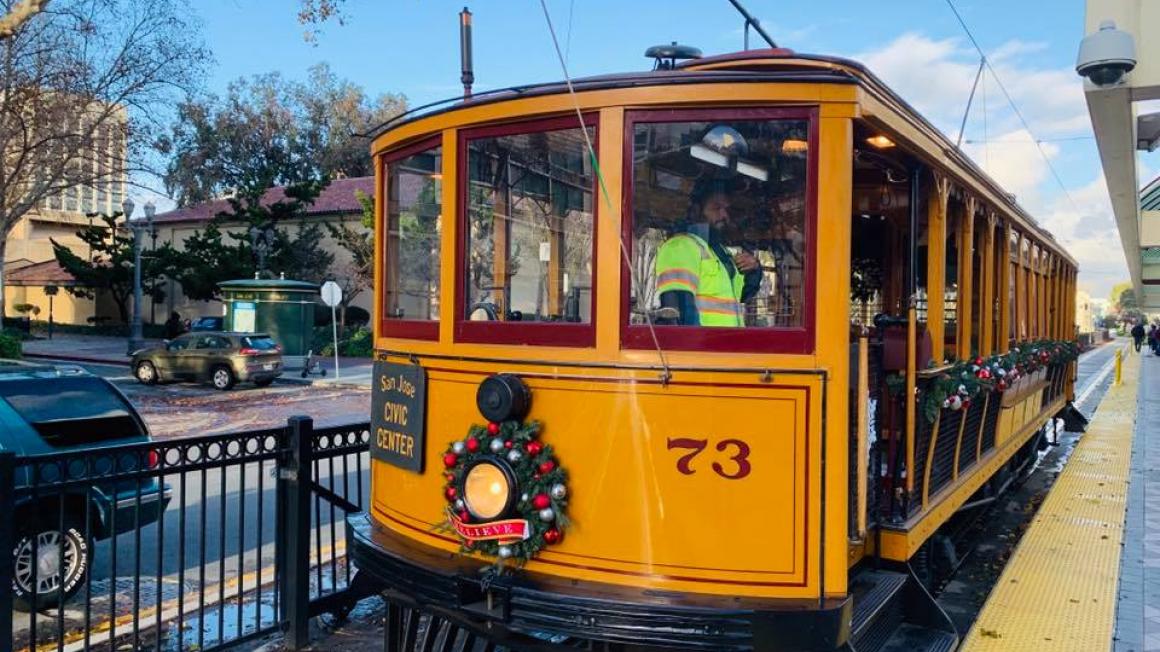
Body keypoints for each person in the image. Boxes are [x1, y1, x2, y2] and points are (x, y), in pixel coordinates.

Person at [654, 179, 762, 326]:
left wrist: (754, 269)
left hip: (728, 345)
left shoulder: (720, 252)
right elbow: (681, 314)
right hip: (704, 346)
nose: (724, 215)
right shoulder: (681, 247)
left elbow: (742, 295)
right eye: (716, 208)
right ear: (697, 211)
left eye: (725, 209)